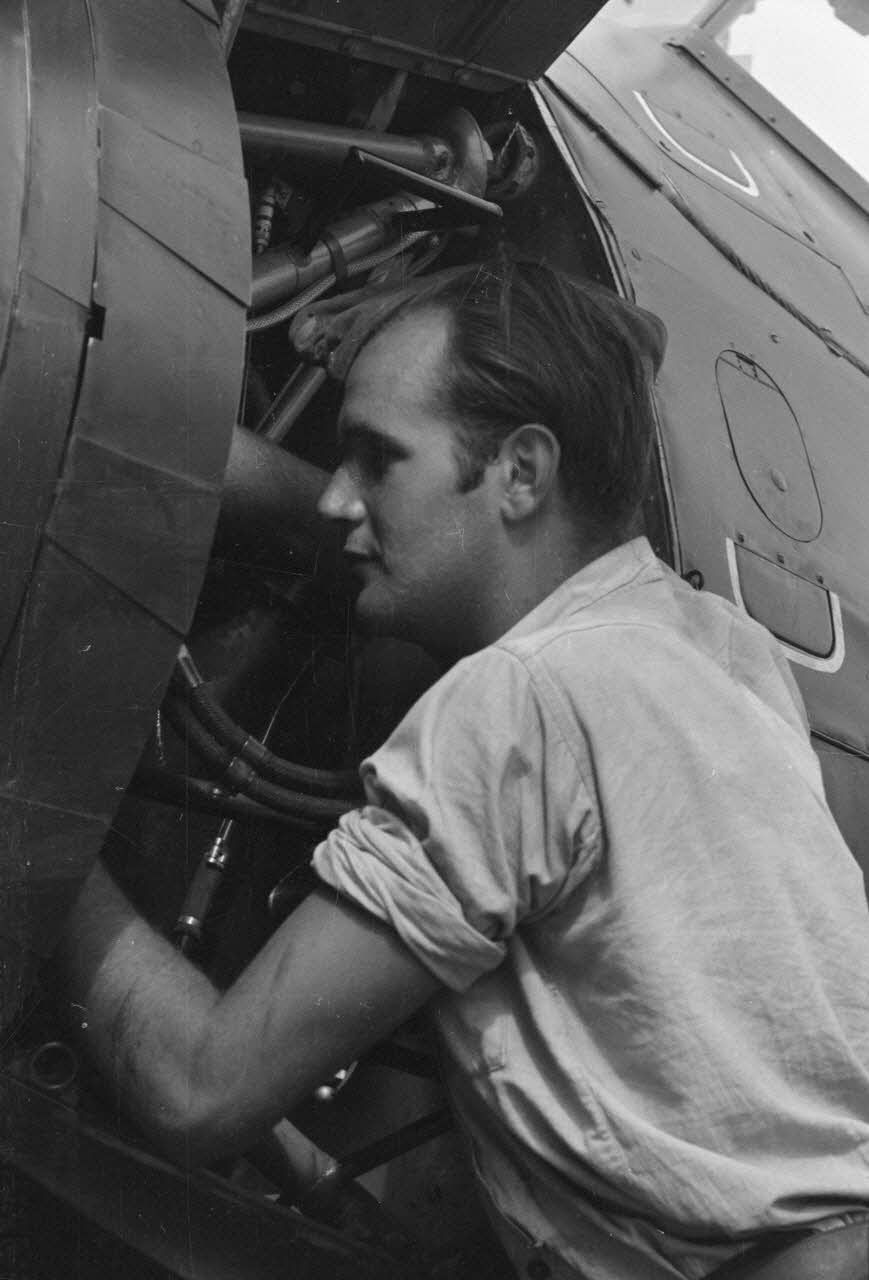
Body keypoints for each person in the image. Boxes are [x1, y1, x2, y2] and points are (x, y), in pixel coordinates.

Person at [59, 259, 869, 1280]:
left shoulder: (518, 702)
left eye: (377, 459)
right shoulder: (719, 650)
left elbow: (197, 1088)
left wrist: (33, 824)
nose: (337, 499)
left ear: (522, 472)